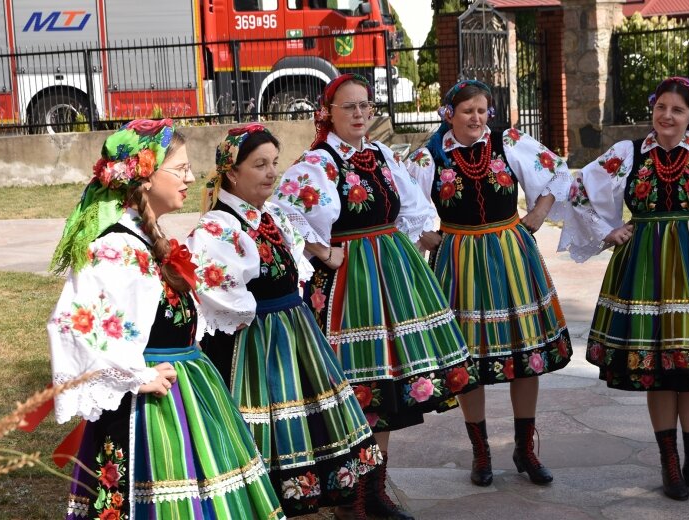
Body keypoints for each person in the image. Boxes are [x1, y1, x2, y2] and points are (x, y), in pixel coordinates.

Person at [48, 119, 284, 519]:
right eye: (180, 169)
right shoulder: (117, 247)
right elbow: (74, 324)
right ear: (144, 178)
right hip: (149, 409)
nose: (191, 177)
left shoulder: (146, 236)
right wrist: (136, 376)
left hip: (186, 391)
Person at [272, 74, 479, 520]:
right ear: (328, 114)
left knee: (386, 390)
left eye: (366, 106)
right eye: (350, 107)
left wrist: (425, 233)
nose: (361, 114)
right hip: (349, 286)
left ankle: (374, 491)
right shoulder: (318, 163)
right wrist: (323, 251)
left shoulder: (381, 153)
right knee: (357, 389)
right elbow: (284, 214)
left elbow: (411, 203)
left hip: (393, 275)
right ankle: (352, 498)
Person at [188, 124, 382, 518]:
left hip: (297, 339)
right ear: (232, 172)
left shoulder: (273, 215)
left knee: (314, 439)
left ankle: (334, 506)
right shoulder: (217, 229)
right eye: (259, 165)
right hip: (255, 349)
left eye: (274, 163)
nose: (271, 173)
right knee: (269, 447)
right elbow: (223, 299)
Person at [559, 77, 689, 501]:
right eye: (661, 107)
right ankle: (670, 462)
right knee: (659, 369)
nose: (667, 116)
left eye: (678, 110)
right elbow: (578, 191)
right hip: (644, 272)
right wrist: (606, 230)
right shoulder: (628, 153)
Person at [405, 79, 573, 487]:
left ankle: (524, 448)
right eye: (467, 111)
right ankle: (481, 451)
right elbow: (405, 206)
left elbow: (555, 170)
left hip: (509, 252)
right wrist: (427, 236)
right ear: (449, 114)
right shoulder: (429, 157)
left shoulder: (509, 141)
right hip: (458, 258)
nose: (476, 118)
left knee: (525, 351)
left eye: (482, 111)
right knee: (467, 359)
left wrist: (536, 215)